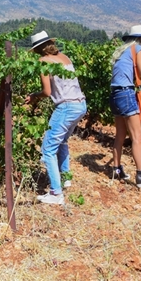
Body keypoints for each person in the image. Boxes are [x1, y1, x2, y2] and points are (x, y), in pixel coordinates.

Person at [25, 31, 87, 205]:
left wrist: (34, 96)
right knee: (62, 141)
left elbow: (47, 92)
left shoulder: (43, 62)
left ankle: (55, 192)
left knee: (48, 149)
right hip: (80, 104)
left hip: (66, 106)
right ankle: (65, 177)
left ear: (37, 49)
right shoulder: (65, 57)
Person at [109, 25, 141, 188]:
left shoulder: (122, 51)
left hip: (115, 94)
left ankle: (116, 170)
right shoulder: (137, 48)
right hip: (126, 93)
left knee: (120, 136)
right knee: (137, 137)